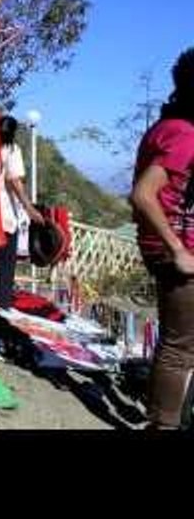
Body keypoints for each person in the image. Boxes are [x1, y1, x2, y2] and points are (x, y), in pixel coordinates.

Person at [130, 48, 194, 429]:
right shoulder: (186, 133)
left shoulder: (168, 127)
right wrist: (178, 249)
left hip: (168, 244)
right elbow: (142, 193)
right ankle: (164, 425)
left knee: (178, 344)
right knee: (180, 348)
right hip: (178, 250)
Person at [0, 116, 45, 309]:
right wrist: (29, 208)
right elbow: (14, 181)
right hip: (6, 211)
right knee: (7, 259)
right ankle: (3, 301)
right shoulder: (12, 150)